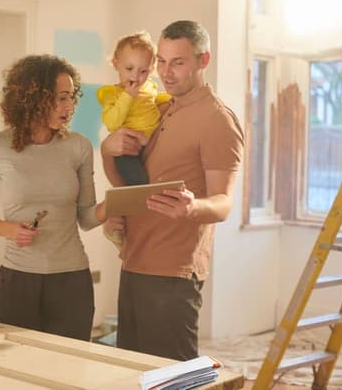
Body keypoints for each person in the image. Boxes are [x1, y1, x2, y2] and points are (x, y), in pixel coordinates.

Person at [101, 21, 244, 360]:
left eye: (177, 62)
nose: (165, 72)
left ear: (203, 60)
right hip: (134, 260)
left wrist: (192, 208)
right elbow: (127, 183)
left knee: (172, 379)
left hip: (173, 272)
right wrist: (108, 149)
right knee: (132, 373)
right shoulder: (159, 108)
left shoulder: (217, 120)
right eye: (161, 61)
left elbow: (223, 203)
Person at [0, 54, 106, 342]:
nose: (69, 106)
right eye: (61, 98)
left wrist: (112, 210)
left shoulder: (78, 147)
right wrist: (8, 230)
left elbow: (86, 217)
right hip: (18, 279)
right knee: (17, 370)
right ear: (32, 98)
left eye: (71, 97)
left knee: (71, 371)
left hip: (72, 279)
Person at [97, 31, 171, 186]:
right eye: (129, 68)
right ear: (116, 64)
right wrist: (128, 95)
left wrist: (172, 98)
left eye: (143, 71)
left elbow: (153, 100)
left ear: (151, 70)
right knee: (138, 182)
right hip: (127, 149)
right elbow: (112, 122)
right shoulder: (111, 93)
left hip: (151, 144)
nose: (136, 76)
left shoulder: (149, 86)